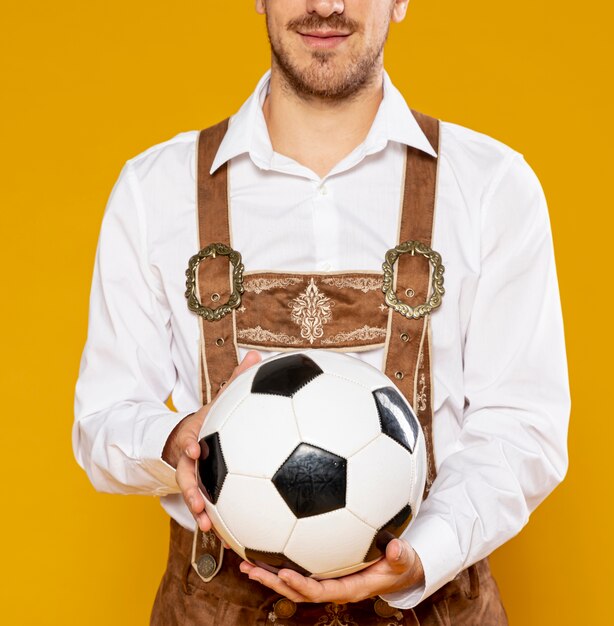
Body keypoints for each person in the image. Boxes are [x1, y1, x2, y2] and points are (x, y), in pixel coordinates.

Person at [73, 1, 570, 624]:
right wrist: (174, 440)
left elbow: (524, 428)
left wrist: (421, 556)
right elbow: (102, 419)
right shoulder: (154, 190)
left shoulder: (493, 187)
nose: (326, 5)